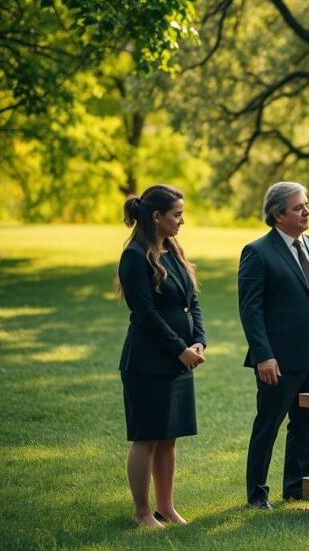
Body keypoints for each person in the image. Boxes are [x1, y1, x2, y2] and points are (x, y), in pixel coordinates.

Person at [239, 181, 309, 509]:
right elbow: (250, 310)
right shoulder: (257, 252)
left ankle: (297, 487)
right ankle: (257, 494)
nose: (307, 212)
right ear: (278, 214)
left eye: (307, 205)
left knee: (308, 424)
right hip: (279, 360)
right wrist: (264, 356)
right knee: (267, 426)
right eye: (299, 207)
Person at [116, 184, 206, 527]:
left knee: (169, 438)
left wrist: (198, 341)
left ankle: (166, 508)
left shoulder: (173, 249)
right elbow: (146, 314)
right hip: (148, 362)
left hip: (180, 359)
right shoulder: (135, 256)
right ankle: (141, 512)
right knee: (148, 437)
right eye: (177, 214)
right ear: (156, 217)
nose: (181, 220)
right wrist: (178, 349)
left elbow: (192, 301)